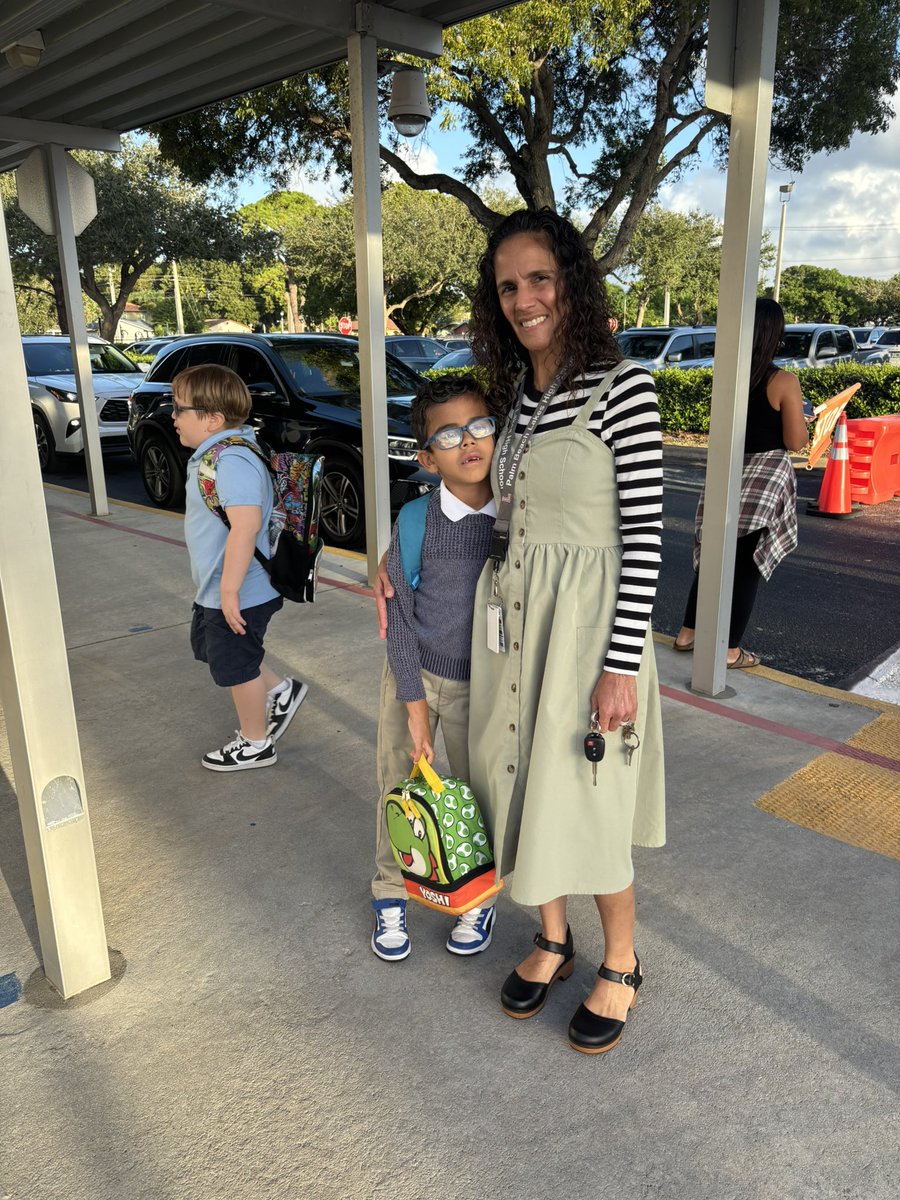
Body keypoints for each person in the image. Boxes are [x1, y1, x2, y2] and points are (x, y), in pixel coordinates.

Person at [377, 210, 666, 1054]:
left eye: (539, 277)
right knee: (525, 784)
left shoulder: (624, 389)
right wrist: (398, 561)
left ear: (570, 280)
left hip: (587, 633)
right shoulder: (519, 400)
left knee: (590, 795)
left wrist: (619, 664)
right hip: (514, 628)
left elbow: (646, 539)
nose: (524, 298)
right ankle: (553, 936)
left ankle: (621, 961)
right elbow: (479, 506)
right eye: (507, 286)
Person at [372, 374, 501, 962]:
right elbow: (399, 617)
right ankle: (390, 891)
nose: (467, 442)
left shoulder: (517, 517)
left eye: (479, 426)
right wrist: (415, 706)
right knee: (398, 787)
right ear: (426, 458)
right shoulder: (416, 520)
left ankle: (477, 898)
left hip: (486, 686)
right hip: (414, 675)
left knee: (480, 796)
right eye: (448, 435)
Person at [173, 364, 307, 772]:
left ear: (212, 418)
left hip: (240, 590)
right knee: (219, 651)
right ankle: (281, 691)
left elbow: (246, 525)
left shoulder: (231, 460)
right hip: (221, 586)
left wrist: (229, 592)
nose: (173, 416)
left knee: (236, 667)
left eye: (179, 408)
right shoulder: (217, 455)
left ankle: (256, 743)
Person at [673, 298, 808, 667]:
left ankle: (688, 632)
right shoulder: (784, 381)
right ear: (776, 335)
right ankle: (730, 649)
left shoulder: (727, 374)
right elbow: (796, 441)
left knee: (713, 556)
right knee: (746, 565)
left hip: (726, 471)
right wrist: (803, 421)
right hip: (763, 478)